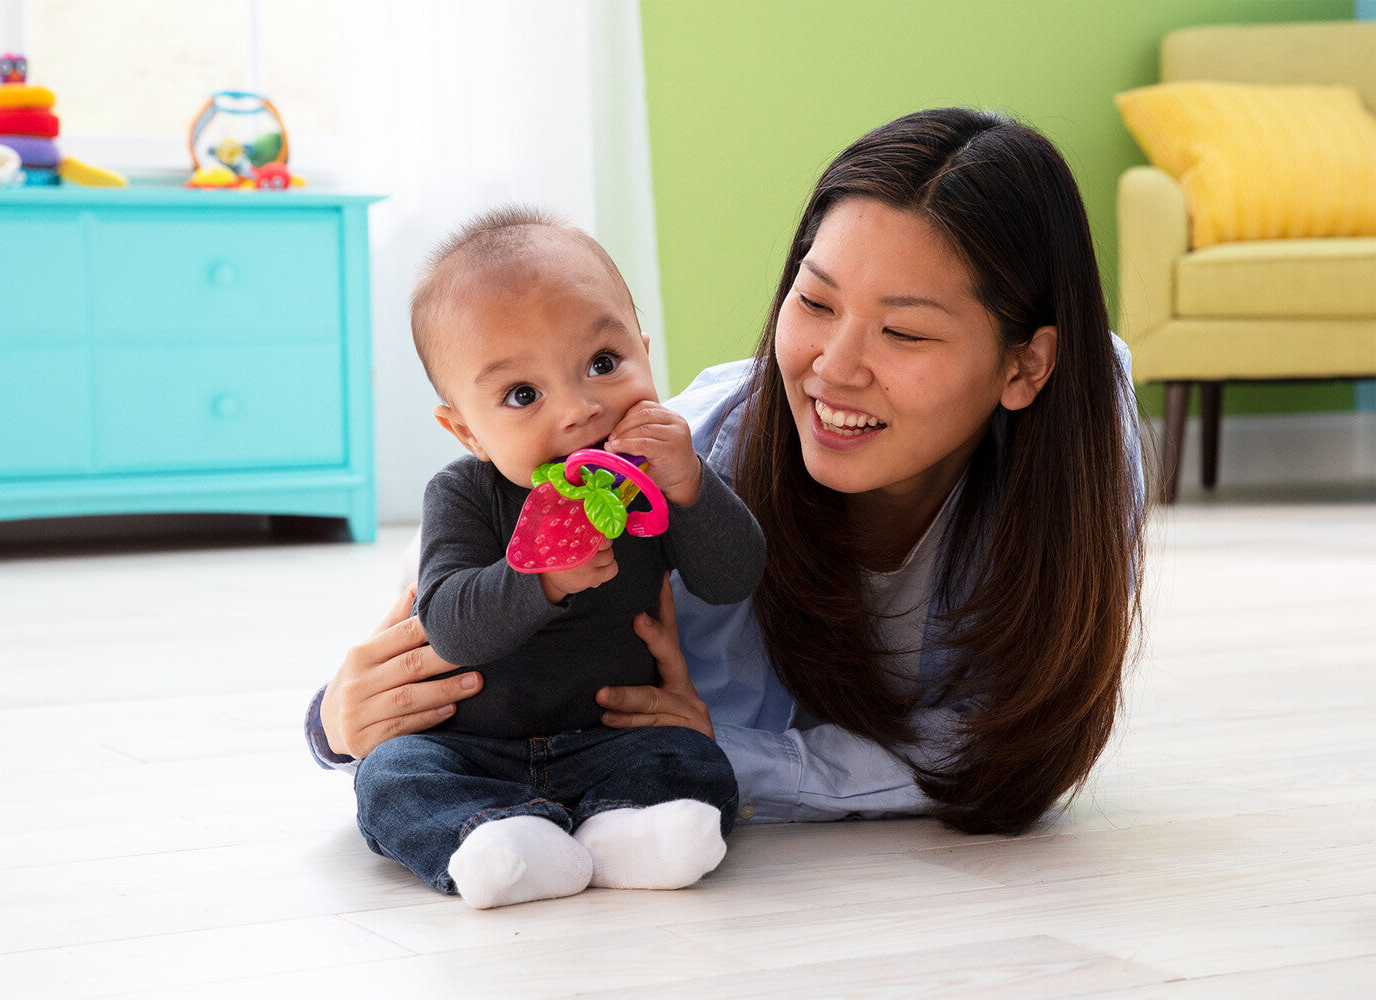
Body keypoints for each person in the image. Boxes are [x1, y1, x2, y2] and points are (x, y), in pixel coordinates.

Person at [307, 107, 1144, 843]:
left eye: (905, 333)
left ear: (1026, 367)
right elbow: (455, 628)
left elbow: (1000, 748)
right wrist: (334, 721)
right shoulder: (692, 451)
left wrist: (731, 758)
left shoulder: (1080, 434)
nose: (832, 368)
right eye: (814, 304)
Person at [348, 207, 765, 909]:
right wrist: (537, 575)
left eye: (604, 364)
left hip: (611, 738)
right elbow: (449, 624)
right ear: (466, 430)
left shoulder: (653, 479)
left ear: (645, 350)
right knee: (391, 777)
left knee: (694, 757)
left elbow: (732, 579)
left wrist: (692, 485)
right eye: (522, 395)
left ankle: (628, 832)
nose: (578, 410)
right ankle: (493, 838)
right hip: (471, 749)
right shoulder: (462, 495)